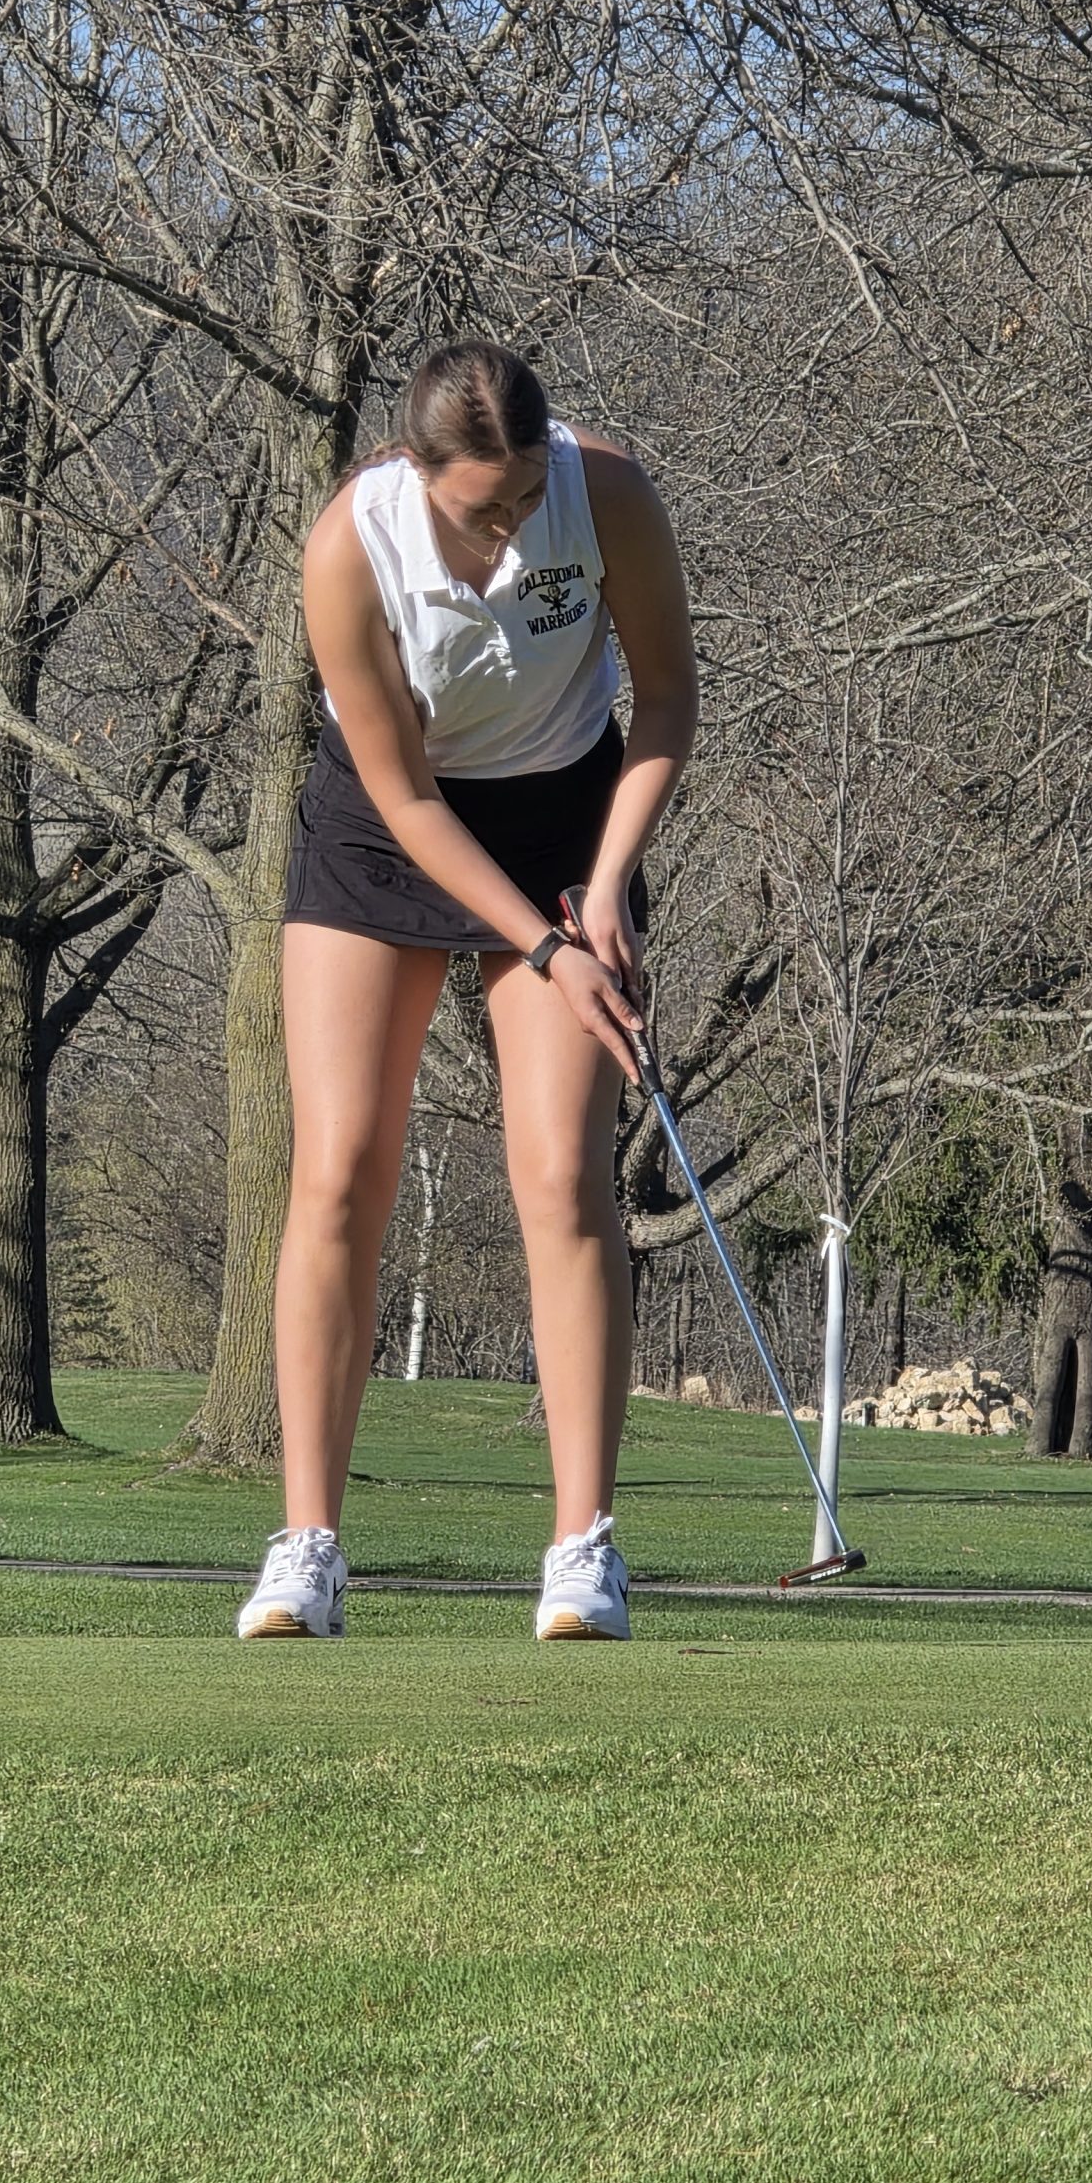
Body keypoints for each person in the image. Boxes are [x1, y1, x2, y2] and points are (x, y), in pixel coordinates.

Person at [236, 342, 698, 1645]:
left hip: (564, 820)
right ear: (415, 468)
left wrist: (607, 884)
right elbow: (405, 798)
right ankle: (309, 1549)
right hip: (386, 831)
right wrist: (545, 948)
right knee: (338, 1168)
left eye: (523, 500)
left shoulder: (608, 494)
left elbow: (666, 702)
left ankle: (583, 1551)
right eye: (477, 511)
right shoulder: (351, 545)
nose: (505, 534)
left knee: (560, 1174)